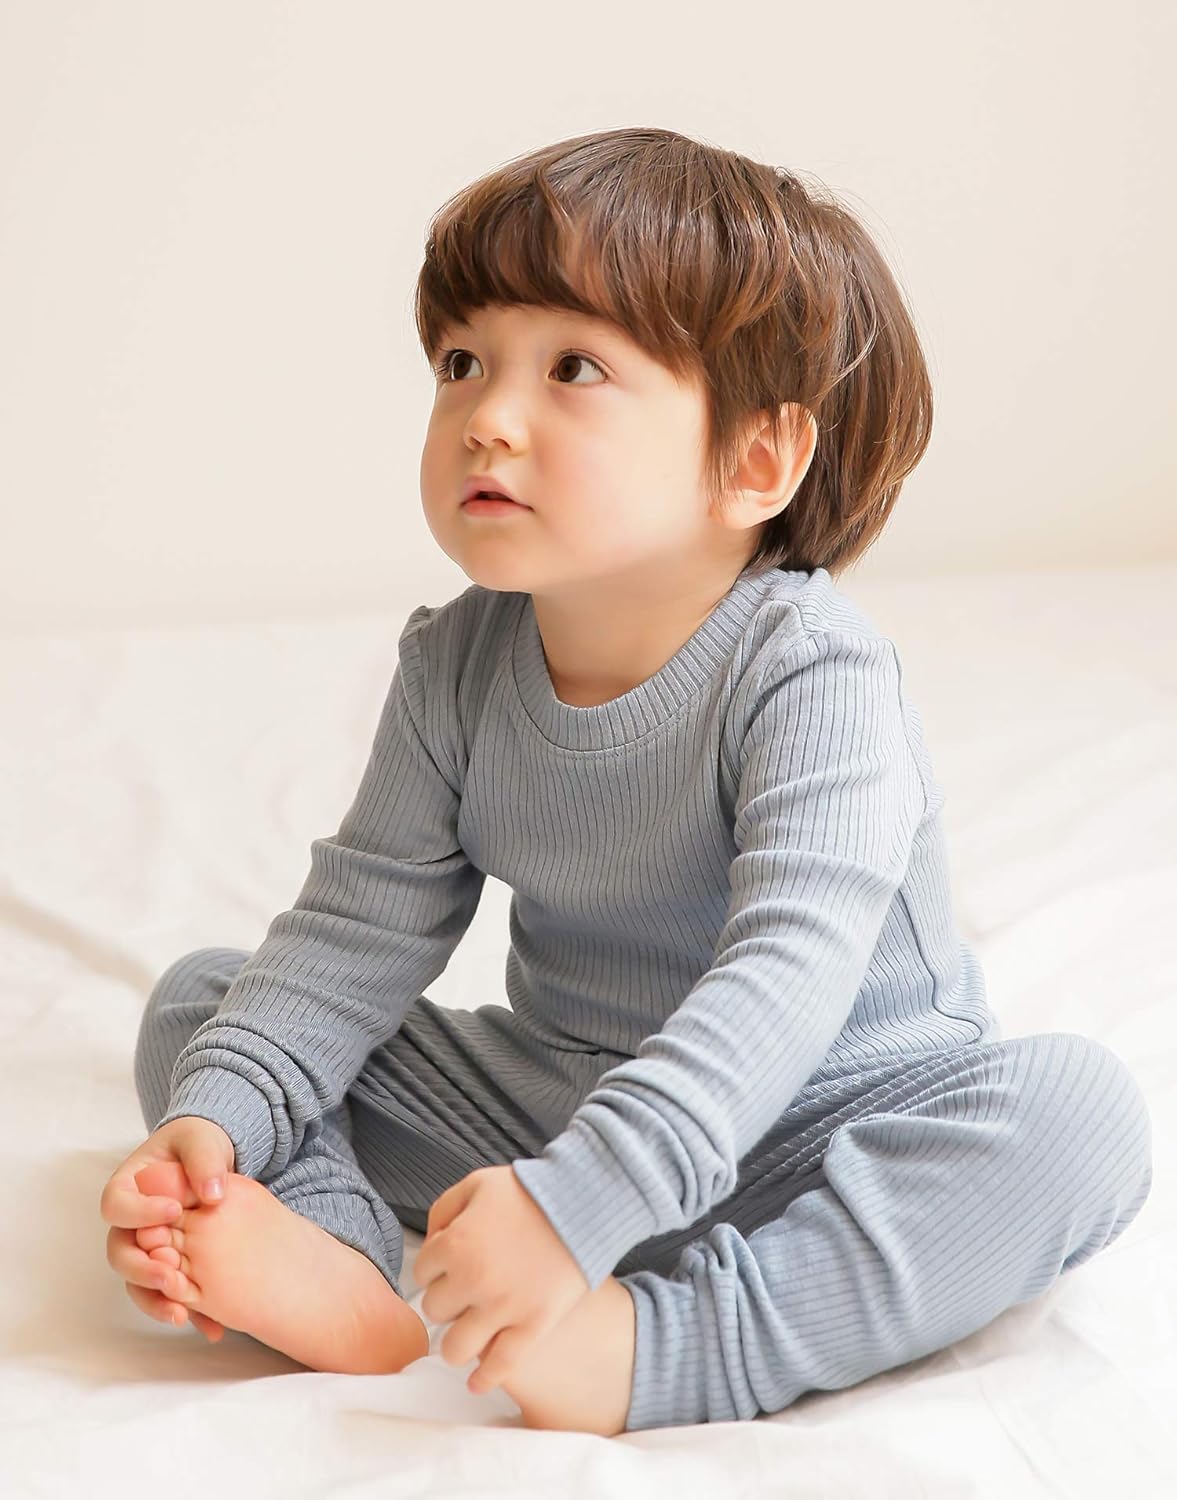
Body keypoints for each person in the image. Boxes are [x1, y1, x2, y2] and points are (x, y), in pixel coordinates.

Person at [100, 126, 1153, 1434]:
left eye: (574, 368)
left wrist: (583, 1202)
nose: (487, 418)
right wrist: (211, 1133)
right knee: (213, 1010)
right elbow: (355, 931)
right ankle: (338, 1265)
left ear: (754, 462)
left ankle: (657, 1348)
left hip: (826, 1125)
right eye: (462, 362)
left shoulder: (810, 672)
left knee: (1077, 1116)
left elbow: (782, 977)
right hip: (565, 1109)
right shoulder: (455, 665)